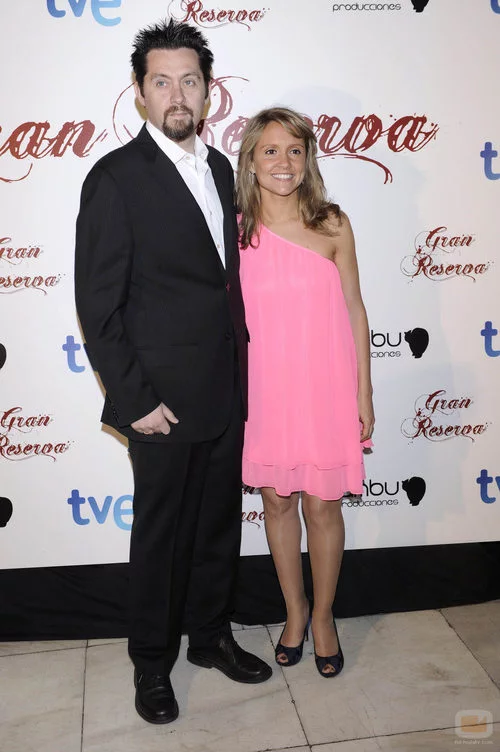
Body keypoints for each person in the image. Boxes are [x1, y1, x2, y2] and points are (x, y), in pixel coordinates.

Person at [74, 19, 272, 725]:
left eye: (190, 81)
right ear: (140, 92)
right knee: (160, 539)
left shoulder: (220, 169)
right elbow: (98, 306)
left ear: (209, 91)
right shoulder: (115, 179)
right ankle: (151, 664)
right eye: (162, 82)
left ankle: (210, 637)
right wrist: (134, 399)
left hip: (224, 390)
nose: (177, 95)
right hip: (159, 401)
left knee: (218, 526)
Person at [236, 107, 374, 678]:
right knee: (276, 502)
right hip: (265, 390)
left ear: (307, 159)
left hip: (325, 388)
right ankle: (293, 611)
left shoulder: (332, 224)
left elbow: (355, 310)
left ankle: (322, 617)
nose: (283, 162)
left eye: (295, 150)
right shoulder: (234, 231)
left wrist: (364, 391)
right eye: (270, 150)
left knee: (323, 505)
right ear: (251, 161)